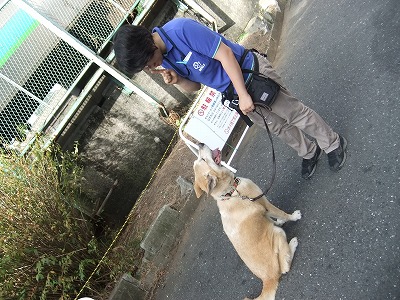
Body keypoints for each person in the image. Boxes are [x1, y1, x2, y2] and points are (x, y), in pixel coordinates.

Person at [112, 18, 347, 179]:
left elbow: (224, 54)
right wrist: (177, 80)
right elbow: (195, 85)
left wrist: (244, 93)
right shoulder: (164, 60)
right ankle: (308, 151)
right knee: (277, 127)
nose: (149, 68)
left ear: (147, 44)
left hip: (250, 74)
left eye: (146, 62)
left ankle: (333, 143)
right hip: (235, 93)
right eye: (144, 68)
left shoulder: (181, 30)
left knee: (293, 113)